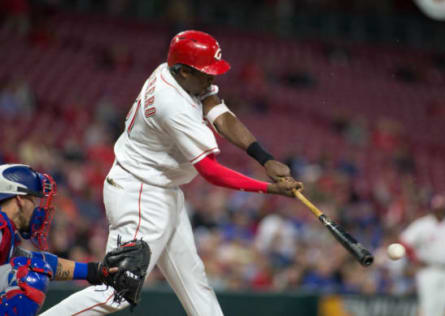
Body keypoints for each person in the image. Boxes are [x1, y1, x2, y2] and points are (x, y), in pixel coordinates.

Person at [40, 30, 302, 315]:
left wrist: (264, 158)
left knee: (195, 283)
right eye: (206, 72)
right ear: (184, 72)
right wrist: (269, 188)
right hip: (139, 193)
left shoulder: (177, 73)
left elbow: (217, 111)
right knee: (117, 291)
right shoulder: (172, 103)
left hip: (161, 190)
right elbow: (210, 172)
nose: (212, 78)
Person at [0, 164, 121, 316]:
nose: (37, 208)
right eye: (33, 199)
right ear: (20, 199)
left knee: (34, 266)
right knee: (29, 276)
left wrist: (95, 271)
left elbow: (44, 263)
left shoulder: (5, 231)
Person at [400, 194, 445, 316]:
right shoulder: (422, 224)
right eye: (437, 208)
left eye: (442, 208)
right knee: (428, 306)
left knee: (443, 306)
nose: (440, 211)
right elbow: (404, 241)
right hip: (428, 269)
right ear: (432, 209)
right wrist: (414, 259)